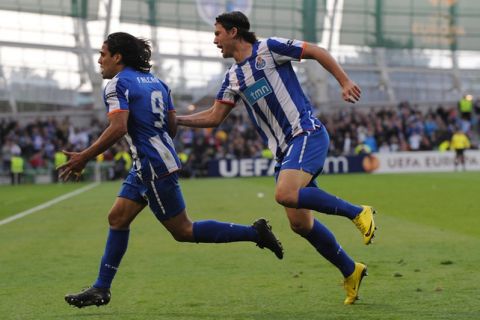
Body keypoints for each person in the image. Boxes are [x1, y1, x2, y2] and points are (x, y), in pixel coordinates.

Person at [58, 32, 283, 309]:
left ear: (118, 57)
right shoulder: (158, 83)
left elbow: (118, 127)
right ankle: (101, 288)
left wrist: (84, 157)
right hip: (150, 163)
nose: (99, 60)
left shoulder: (117, 85)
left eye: (103, 54)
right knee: (117, 217)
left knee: (183, 230)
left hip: (153, 166)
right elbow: (172, 126)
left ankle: (255, 233)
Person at [176, 11, 377, 305]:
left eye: (218, 33)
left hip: (305, 132)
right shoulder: (233, 77)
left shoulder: (268, 49)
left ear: (234, 32)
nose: (215, 40)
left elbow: (316, 51)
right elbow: (214, 116)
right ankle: (351, 270)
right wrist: (177, 120)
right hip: (284, 151)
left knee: (285, 193)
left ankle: (358, 211)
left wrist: (344, 82)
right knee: (300, 224)